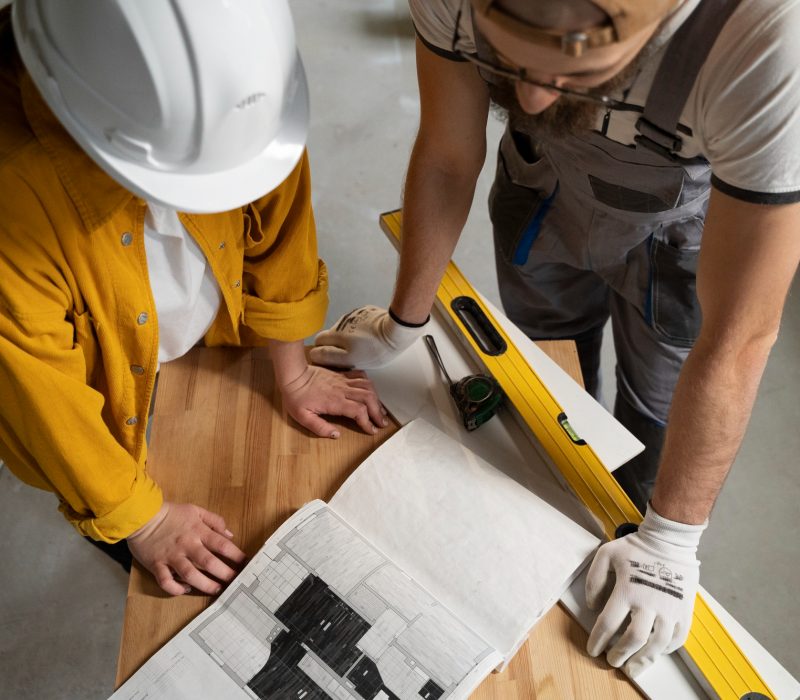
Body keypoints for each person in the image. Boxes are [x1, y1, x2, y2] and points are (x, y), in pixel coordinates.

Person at [311, 0, 800, 677]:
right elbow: (450, 156)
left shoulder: (765, 38)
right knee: (545, 369)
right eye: (506, 60)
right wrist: (407, 317)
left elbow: (740, 334)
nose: (532, 97)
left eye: (570, 71)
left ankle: (635, 509)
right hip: (544, 194)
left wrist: (670, 539)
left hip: (682, 245)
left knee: (651, 417)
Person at [0, 0, 386, 598]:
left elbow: (281, 231)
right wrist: (144, 521)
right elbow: (41, 396)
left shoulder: (241, 89)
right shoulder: (14, 203)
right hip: (90, 393)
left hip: (189, 332)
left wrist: (295, 371)